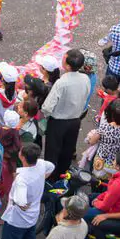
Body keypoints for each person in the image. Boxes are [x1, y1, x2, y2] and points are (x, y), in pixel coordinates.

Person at [42, 49, 92, 180]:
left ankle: (50, 178)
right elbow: (86, 96)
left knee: (52, 152)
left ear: (68, 65)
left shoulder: (61, 82)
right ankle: (63, 174)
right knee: (67, 150)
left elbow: (47, 107)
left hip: (58, 121)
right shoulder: (85, 78)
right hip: (75, 120)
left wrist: (47, 116)